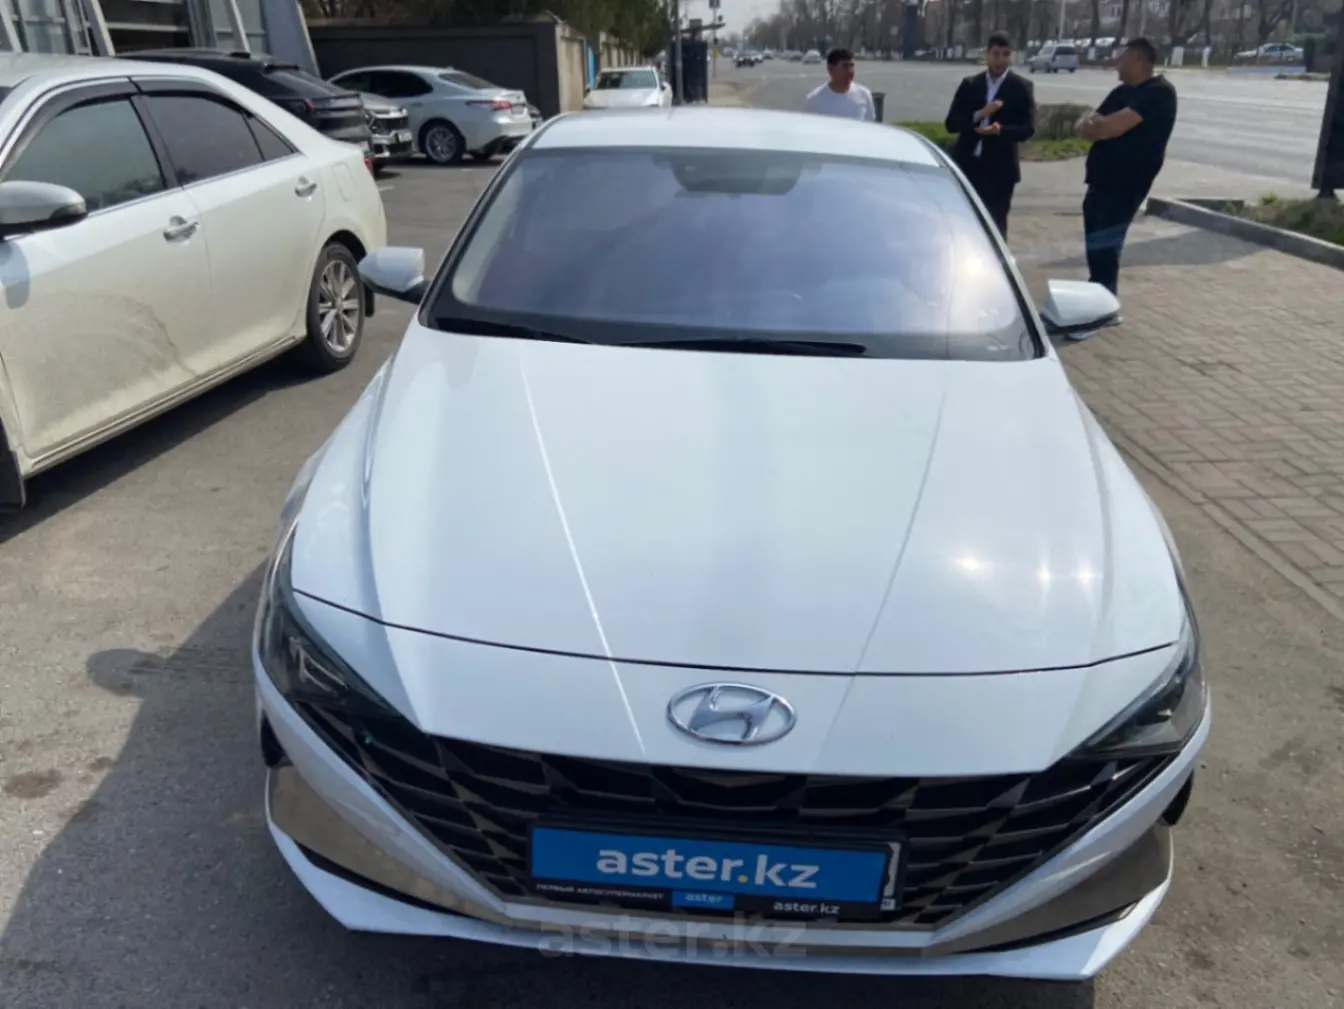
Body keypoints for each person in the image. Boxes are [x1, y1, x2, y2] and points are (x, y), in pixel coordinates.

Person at [1076, 37, 1178, 295]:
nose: (1116, 63)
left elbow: (1110, 127)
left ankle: (1104, 301)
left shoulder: (1159, 93)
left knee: (1107, 248)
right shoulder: (1120, 93)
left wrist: (1099, 125)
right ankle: (1097, 294)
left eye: (1122, 58)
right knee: (1095, 245)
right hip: (1100, 180)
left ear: (1137, 60)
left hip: (1126, 184)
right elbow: (1086, 126)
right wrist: (1095, 125)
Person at [941, 32, 1037, 238]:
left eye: (1005, 54)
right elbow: (951, 123)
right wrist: (979, 114)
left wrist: (1000, 130)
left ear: (1012, 56)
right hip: (968, 164)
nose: (1000, 59)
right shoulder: (971, 84)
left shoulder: (1021, 87)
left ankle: (996, 257)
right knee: (964, 222)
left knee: (995, 225)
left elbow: (1028, 128)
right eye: (995, 53)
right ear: (987, 55)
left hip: (1000, 169)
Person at [804, 48, 876, 122]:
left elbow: (869, 125)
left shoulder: (864, 95)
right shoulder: (814, 100)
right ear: (831, 69)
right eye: (845, 66)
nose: (850, 71)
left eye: (852, 65)